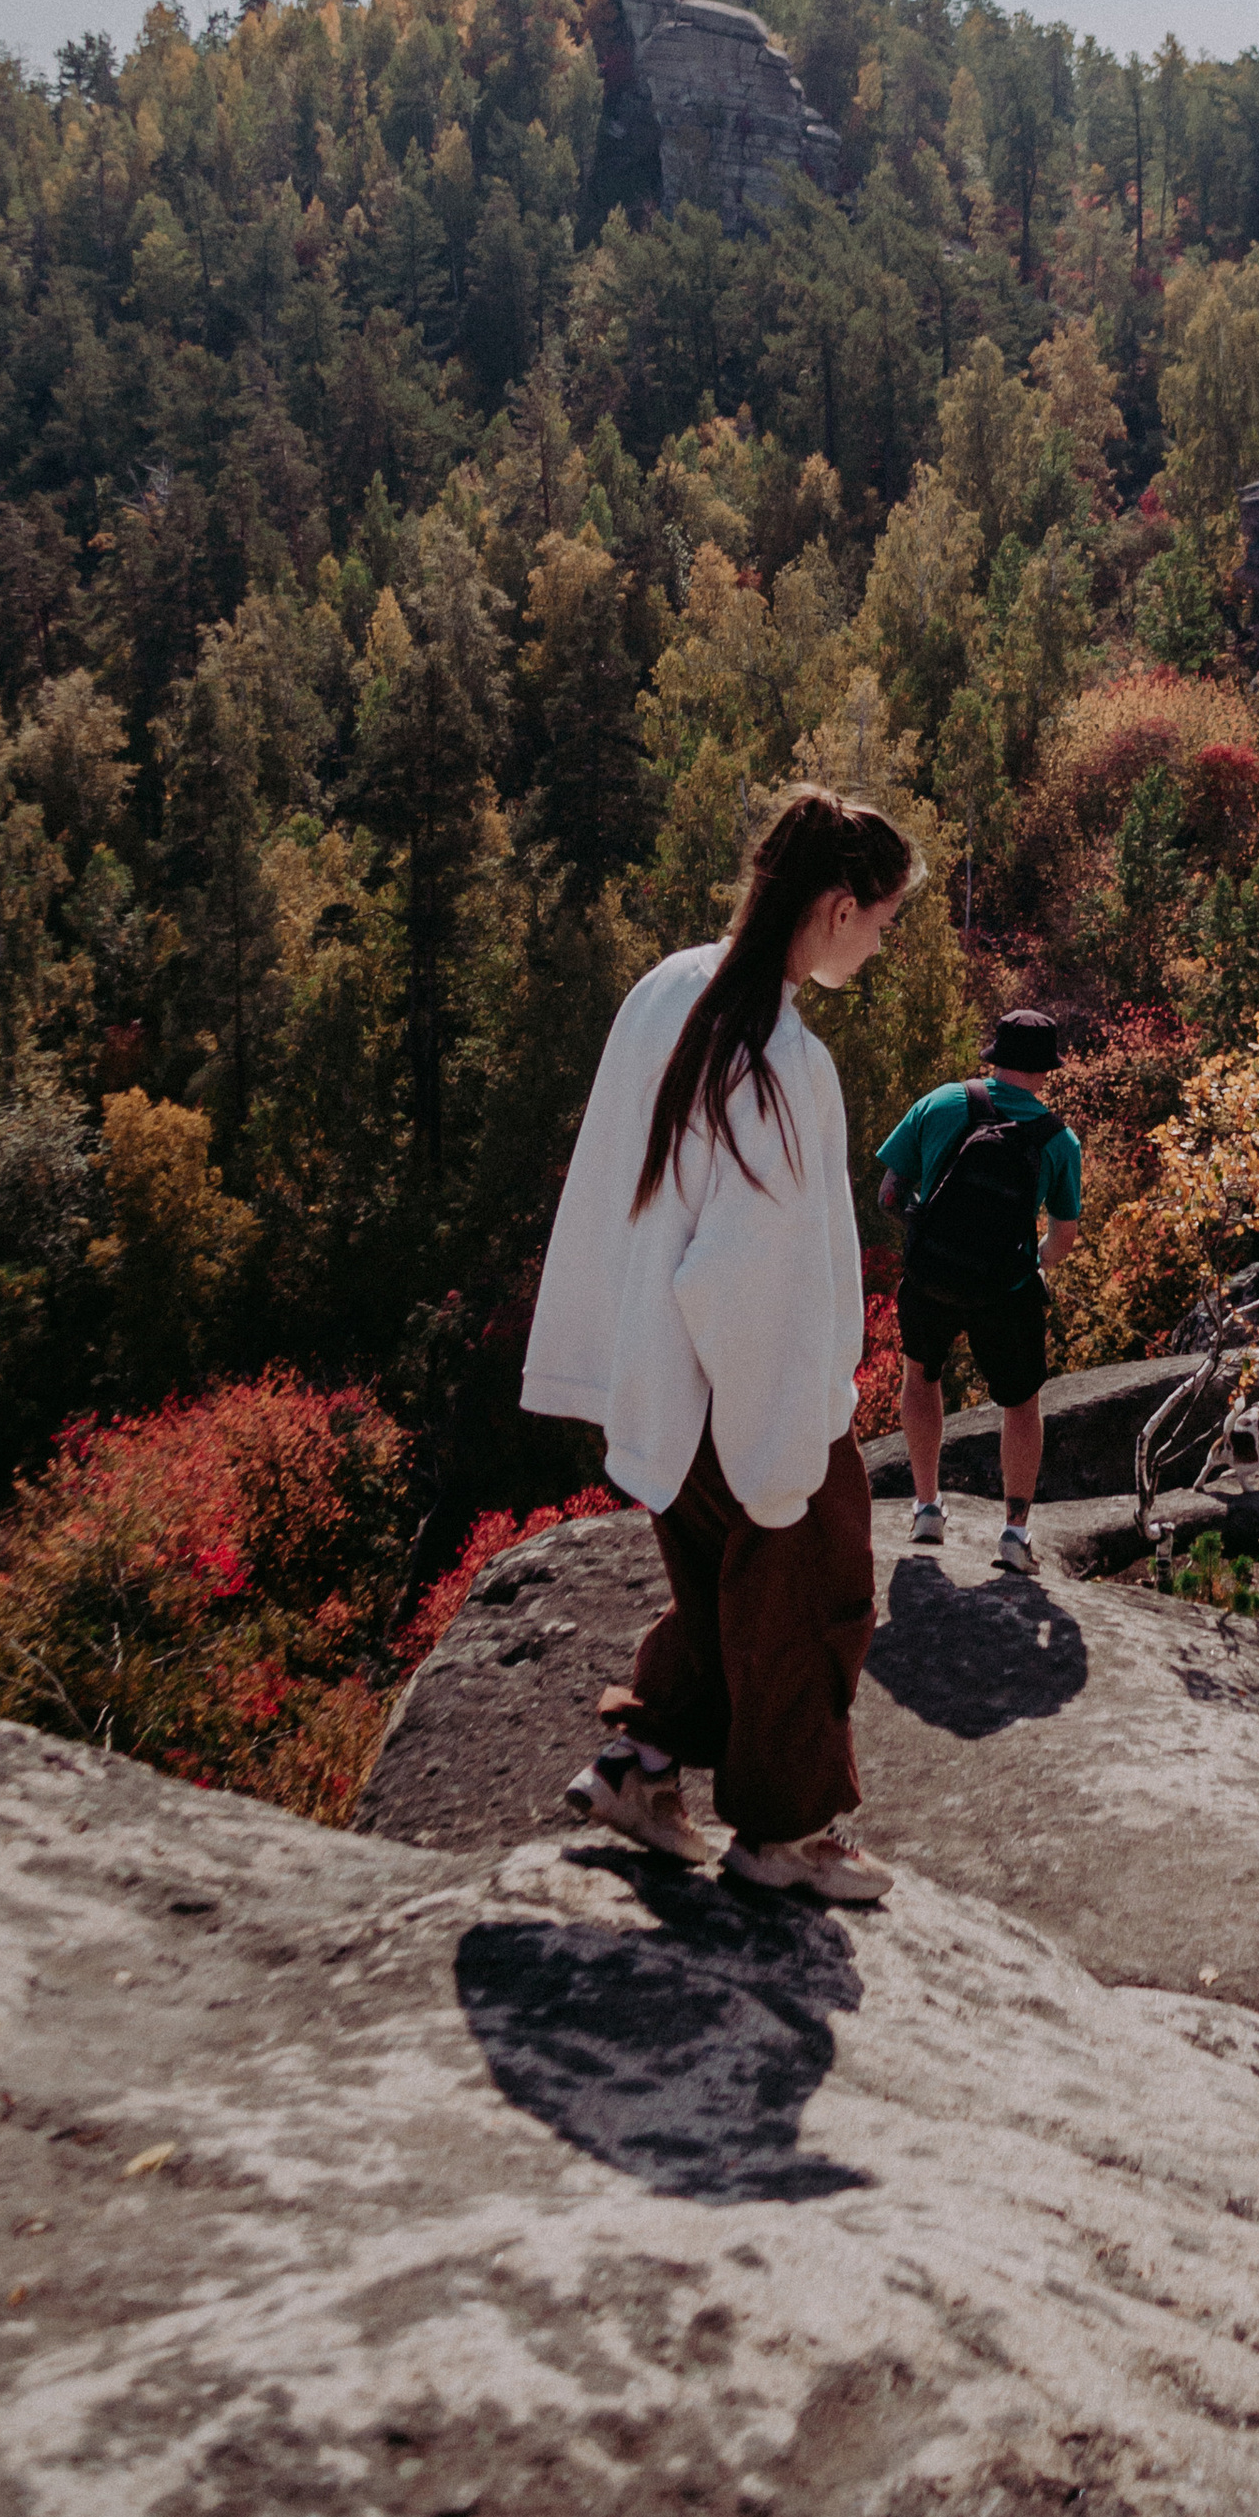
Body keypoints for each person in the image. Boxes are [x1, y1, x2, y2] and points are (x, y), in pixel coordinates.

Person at [522, 790, 922, 1906]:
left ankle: (640, 1769)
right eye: (883, 920)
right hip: (735, 1390)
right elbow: (752, 1289)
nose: (882, 944)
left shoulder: (674, 988)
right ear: (836, 909)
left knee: (716, 1589)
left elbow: (622, 1194)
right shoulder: (779, 1061)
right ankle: (782, 1837)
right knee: (809, 1596)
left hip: (655, 1373)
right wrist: (788, 1451)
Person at [875, 1009, 1080, 1577]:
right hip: (1007, 1291)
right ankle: (1014, 1534)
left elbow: (889, 1194)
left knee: (921, 1375)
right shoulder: (1058, 1140)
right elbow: (1063, 1238)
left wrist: (930, 1234)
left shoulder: (941, 1102)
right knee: (1021, 1403)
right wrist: (1035, 1261)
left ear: (995, 1056)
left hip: (930, 1280)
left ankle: (926, 1509)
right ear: (1046, 1070)